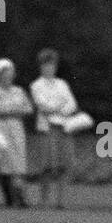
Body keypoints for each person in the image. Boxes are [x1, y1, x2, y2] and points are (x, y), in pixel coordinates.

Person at [29, 48, 78, 209]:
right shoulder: (36, 85)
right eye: (46, 65)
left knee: (64, 164)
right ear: (41, 67)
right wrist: (58, 105)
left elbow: (71, 104)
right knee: (47, 165)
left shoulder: (62, 84)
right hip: (47, 128)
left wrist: (61, 109)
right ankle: (43, 200)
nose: (49, 68)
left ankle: (61, 201)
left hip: (63, 126)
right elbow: (43, 105)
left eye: (52, 65)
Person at [0, 58, 33, 207]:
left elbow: (28, 108)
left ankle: (20, 196)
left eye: (9, 73)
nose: (7, 76)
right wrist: (14, 110)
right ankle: (9, 196)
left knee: (18, 163)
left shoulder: (18, 91)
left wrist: (10, 110)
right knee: (4, 163)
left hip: (17, 129)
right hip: (1, 129)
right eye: (4, 73)